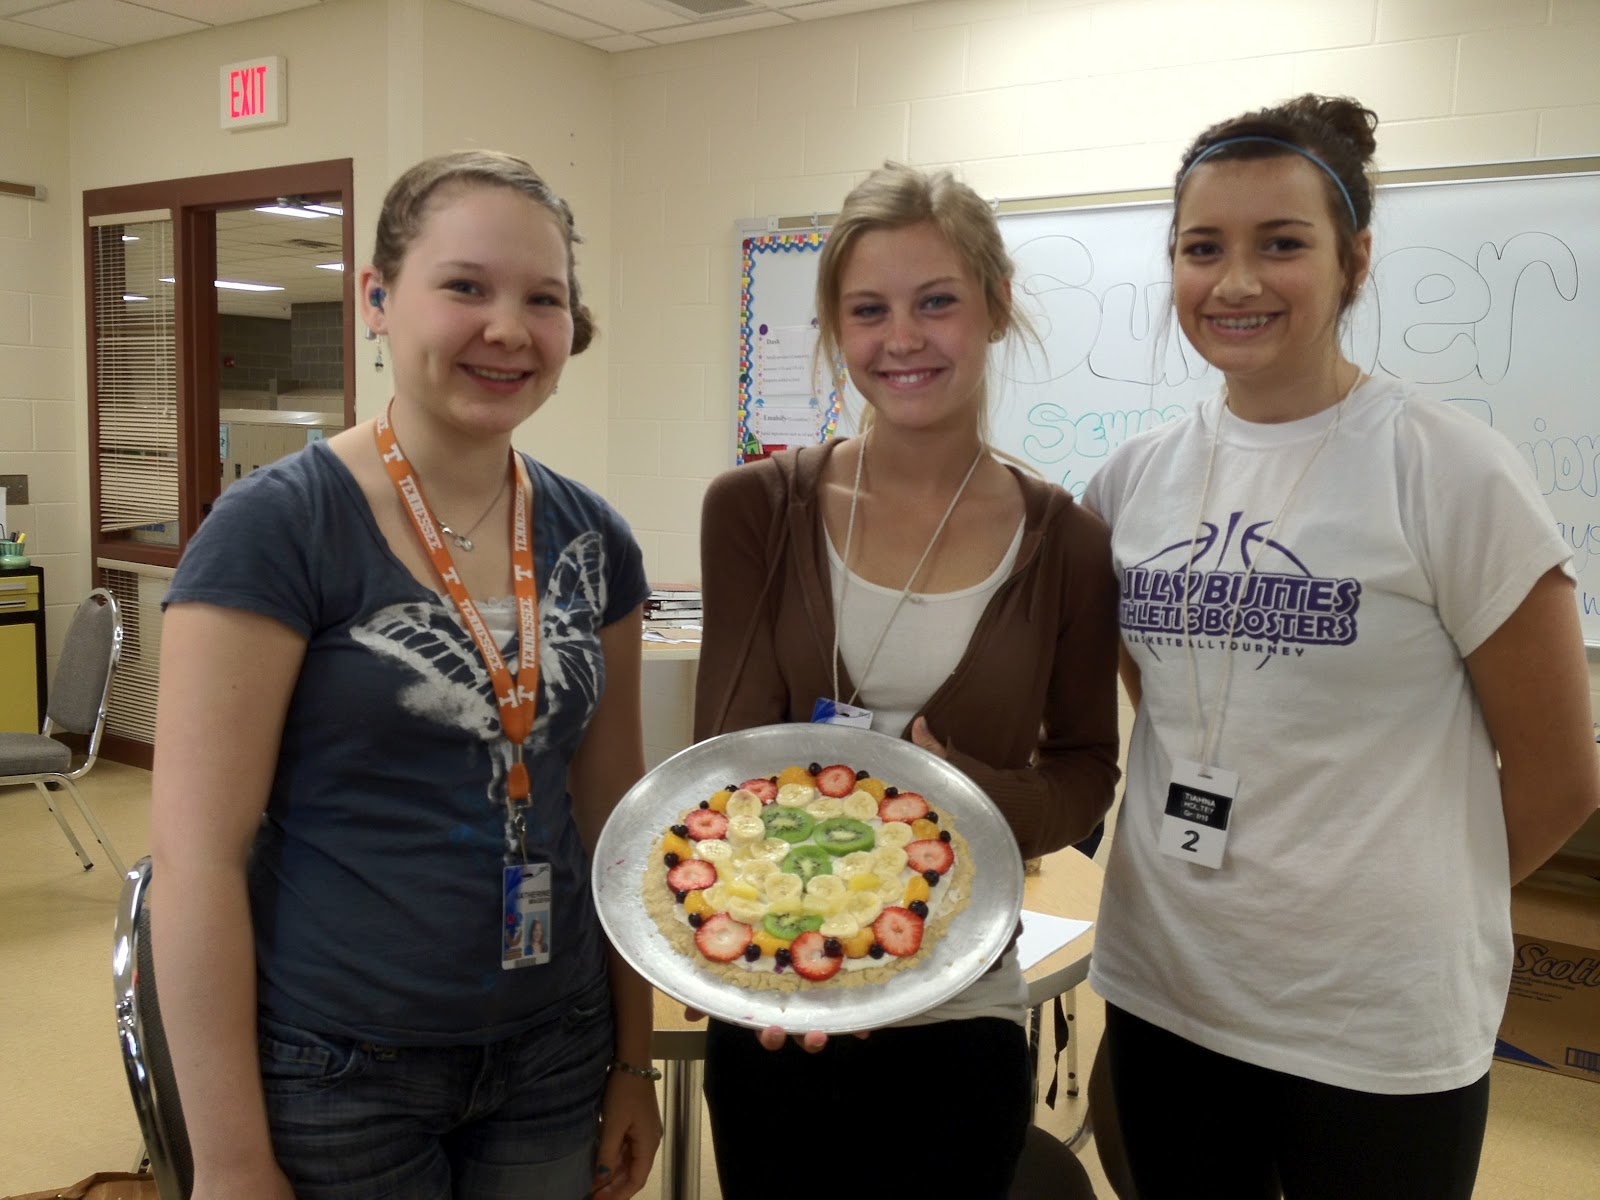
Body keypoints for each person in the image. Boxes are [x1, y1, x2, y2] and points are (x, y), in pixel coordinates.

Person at [1082, 95, 1600, 1199]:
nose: (1235, 282)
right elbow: (1159, 693)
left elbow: (1559, 775)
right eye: (1200, 248)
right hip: (1167, 984)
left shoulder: (1448, 469)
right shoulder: (1131, 480)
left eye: (1282, 244)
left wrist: (1403, 901)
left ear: (1353, 259)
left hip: (1373, 1023)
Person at [150, 150, 661, 1200]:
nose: (508, 329)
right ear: (377, 300)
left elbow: (612, 815)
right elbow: (195, 858)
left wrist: (629, 1057)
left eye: (543, 298)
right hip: (342, 1065)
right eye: (464, 286)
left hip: (556, 1049)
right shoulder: (280, 527)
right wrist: (231, 1157)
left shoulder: (592, 536)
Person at [693, 162, 1122, 1199]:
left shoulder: (1064, 540)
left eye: (937, 303)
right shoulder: (756, 509)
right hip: (777, 993)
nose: (903, 340)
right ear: (837, 329)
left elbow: (1081, 776)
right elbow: (722, 760)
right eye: (868, 310)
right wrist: (769, 954)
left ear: (995, 308)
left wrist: (963, 794)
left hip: (956, 1002)